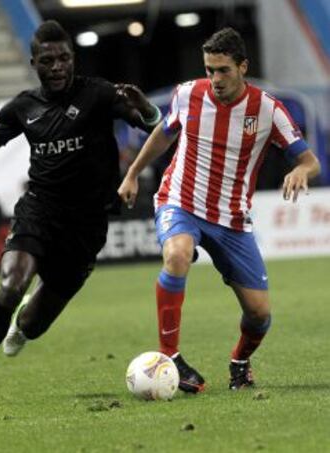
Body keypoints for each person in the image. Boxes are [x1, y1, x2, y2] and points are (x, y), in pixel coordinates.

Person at [0, 20, 162, 409]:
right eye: (49, 60)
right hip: (38, 211)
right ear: (34, 61)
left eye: (65, 58)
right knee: (10, 286)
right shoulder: (23, 107)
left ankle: (20, 327)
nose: (58, 67)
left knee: (33, 324)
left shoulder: (100, 94)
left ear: (73, 59)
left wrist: (149, 110)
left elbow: (154, 127)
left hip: (86, 227)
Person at [118, 27, 321, 393]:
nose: (215, 79)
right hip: (180, 201)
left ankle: (240, 363)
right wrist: (132, 174)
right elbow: (164, 133)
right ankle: (171, 358)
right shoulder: (187, 94)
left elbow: (310, 161)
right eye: (210, 69)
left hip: (232, 219)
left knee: (259, 315)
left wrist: (299, 170)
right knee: (177, 254)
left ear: (243, 66)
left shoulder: (268, 110)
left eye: (223, 70)